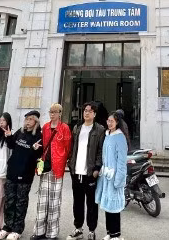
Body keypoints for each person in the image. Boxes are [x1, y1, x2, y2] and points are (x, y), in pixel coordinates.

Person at [0, 110, 43, 240]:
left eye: (30, 119)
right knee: (9, 201)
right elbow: (11, 146)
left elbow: (38, 157)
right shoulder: (20, 132)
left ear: (36, 122)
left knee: (20, 202)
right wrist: (9, 136)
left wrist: (35, 150)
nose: (27, 122)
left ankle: (17, 229)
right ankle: (7, 227)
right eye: (26, 119)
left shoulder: (38, 136)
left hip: (25, 174)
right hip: (12, 171)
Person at [31, 103, 72, 240]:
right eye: (51, 112)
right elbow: (43, 144)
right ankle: (39, 231)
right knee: (42, 200)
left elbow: (68, 147)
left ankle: (52, 233)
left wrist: (62, 160)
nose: (52, 114)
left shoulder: (64, 128)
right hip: (45, 166)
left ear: (60, 113)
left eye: (55, 112)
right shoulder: (46, 127)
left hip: (58, 168)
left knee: (54, 202)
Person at [66, 102, 105, 240]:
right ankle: (78, 229)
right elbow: (72, 147)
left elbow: (101, 151)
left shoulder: (100, 130)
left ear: (94, 114)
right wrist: (70, 162)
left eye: (89, 111)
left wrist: (97, 168)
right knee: (77, 202)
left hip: (90, 173)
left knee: (92, 203)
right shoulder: (77, 128)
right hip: (76, 171)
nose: (86, 113)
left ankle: (92, 230)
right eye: (85, 110)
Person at [95, 110, 129, 240]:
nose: (109, 123)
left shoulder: (120, 137)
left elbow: (121, 161)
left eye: (112, 121)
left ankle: (116, 234)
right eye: (108, 121)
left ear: (117, 123)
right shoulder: (107, 135)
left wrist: (119, 179)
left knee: (114, 208)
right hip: (106, 176)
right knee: (107, 206)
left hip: (114, 176)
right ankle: (110, 232)